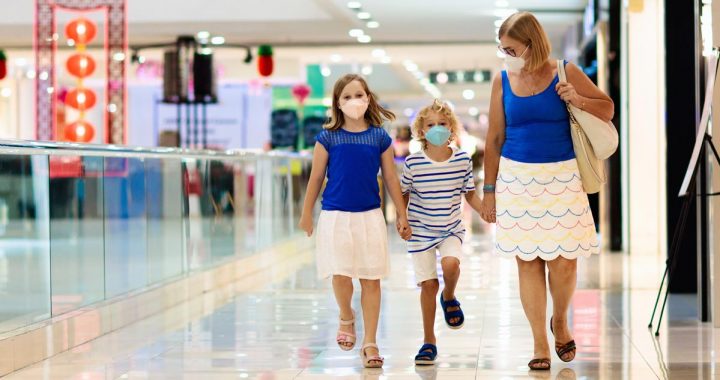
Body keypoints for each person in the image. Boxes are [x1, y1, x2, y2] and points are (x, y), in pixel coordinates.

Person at [481, 12, 614, 370]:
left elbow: (607, 108)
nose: (506, 54)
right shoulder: (502, 80)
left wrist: (576, 99)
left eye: (511, 47)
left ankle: (560, 320)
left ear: (531, 43)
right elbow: (493, 138)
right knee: (528, 262)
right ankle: (539, 340)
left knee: (565, 262)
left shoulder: (565, 70)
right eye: (502, 48)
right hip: (517, 179)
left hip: (562, 177)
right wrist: (488, 191)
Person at [298, 74, 412, 369]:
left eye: (358, 94)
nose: (353, 101)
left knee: (371, 279)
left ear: (368, 98)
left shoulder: (379, 138)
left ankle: (371, 341)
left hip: (370, 217)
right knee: (340, 274)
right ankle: (346, 316)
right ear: (338, 103)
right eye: (346, 96)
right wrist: (306, 213)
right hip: (335, 216)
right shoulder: (327, 138)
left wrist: (401, 214)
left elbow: (390, 178)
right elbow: (316, 178)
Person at [400, 99, 483, 366]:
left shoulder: (462, 160)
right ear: (422, 131)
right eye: (431, 125)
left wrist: (485, 211)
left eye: (442, 123)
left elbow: (469, 193)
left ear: (452, 127)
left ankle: (449, 295)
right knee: (427, 285)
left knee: (450, 265)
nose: (437, 128)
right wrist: (402, 219)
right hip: (420, 230)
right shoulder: (413, 163)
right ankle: (429, 340)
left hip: (450, 227)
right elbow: (403, 194)